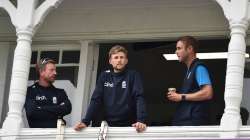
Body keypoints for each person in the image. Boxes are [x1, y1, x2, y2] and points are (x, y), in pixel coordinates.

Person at [74, 45, 147, 132]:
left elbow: (139, 97)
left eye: (122, 57)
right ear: (110, 61)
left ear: (126, 61)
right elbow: (96, 100)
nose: (119, 60)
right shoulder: (104, 76)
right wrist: (86, 121)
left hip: (128, 125)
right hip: (106, 125)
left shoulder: (133, 75)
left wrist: (141, 120)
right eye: (116, 57)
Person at [167, 36, 213, 126]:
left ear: (190, 49)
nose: (176, 52)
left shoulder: (199, 68)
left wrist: (181, 97)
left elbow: (208, 93)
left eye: (179, 48)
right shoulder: (190, 69)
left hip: (194, 123)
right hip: (186, 122)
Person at [24, 58, 72, 128]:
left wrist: (41, 108)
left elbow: (67, 108)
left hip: (57, 136)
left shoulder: (60, 92)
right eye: (51, 70)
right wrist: (57, 110)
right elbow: (32, 112)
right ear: (41, 72)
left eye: (55, 70)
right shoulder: (30, 91)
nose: (55, 73)